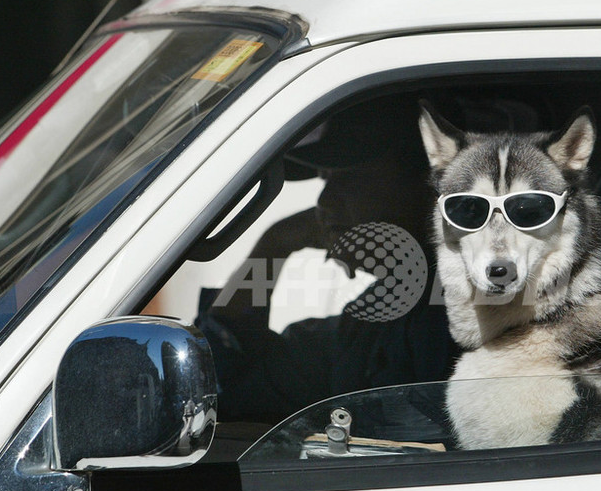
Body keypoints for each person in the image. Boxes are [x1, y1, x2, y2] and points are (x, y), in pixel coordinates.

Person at [196, 101, 459, 425]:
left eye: (349, 179)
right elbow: (228, 383)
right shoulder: (369, 324)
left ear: (427, 186)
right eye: (325, 182)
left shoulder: (471, 308)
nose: (325, 201)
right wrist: (273, 247)